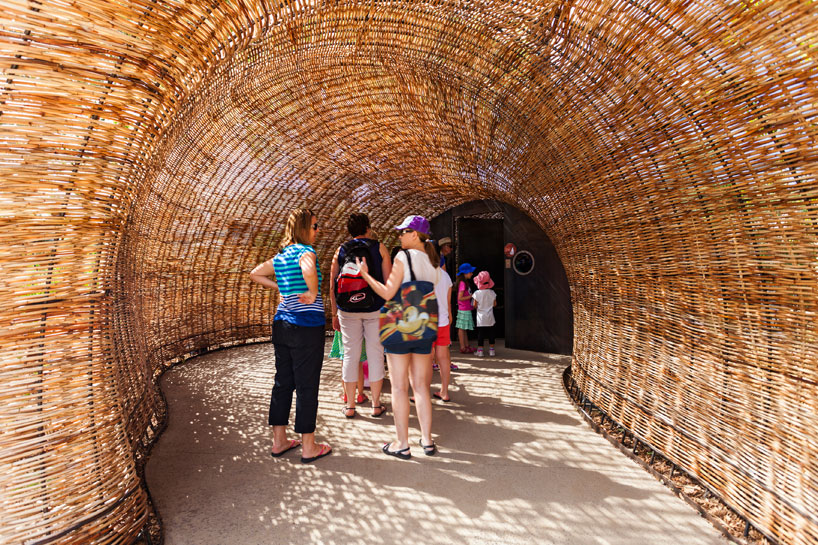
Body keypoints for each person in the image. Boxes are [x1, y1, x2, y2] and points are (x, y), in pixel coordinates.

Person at [249, 208, 332, 464]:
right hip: (306, 327)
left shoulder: (282, 254)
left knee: (283, 382)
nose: (318, 231)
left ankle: (279, 441)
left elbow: (255, 273)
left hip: (282, 325)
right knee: (307, 385)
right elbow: (308, 268)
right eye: (315, 226)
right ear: (305, 228)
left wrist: (280, 288)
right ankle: (309, 446)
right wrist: (312, 290)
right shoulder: (306, 252)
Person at [357, 215, 440, 459]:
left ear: (415, 235)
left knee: (399, 387)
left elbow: (387, 291)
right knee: (422, 387)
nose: (399, 236)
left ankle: (402, 443)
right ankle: (427, 440)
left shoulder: (403, 257)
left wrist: (365, 274)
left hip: (399, 329)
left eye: (403, 232)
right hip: (424, 329)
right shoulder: (434, 263)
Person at [329, 213, 391, 418]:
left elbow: (332, 285)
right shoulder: (379, 247)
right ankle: (375, 405)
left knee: (350, 355)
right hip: (375, 308)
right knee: (375, 354)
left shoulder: (341, 250)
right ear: (368, 227)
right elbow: (388, 282)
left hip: (347, 310)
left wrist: (334, 313)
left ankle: (350, 407)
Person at [432, 255, 454, 402]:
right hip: (443, 321)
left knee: (425, 359)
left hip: (426, 322)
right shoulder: (445, 276)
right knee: (444, 358)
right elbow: (448, 302)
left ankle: (419, 393)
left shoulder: (422, 274)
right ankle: (444, 392)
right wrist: (449, 315)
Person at [472, 271, 497, 357]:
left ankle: (480, 351)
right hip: (490, 317)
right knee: (491, 334)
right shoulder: (492, 293)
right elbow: (495, 304)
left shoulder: (476, 293)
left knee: (481, 334)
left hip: (481, 318)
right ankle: (492, 350)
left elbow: (474, 305)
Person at [455, 263, 476, 354]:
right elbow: (460, 298)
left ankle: (466, 346)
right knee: (461, 328)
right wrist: (471, 296)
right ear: (465, 273)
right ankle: (463, 347)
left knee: (464, 328)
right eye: (470, 272)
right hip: (463, 309)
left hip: (466, 308)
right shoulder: (463, 283)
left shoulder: (464, 282)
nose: (471, 273)